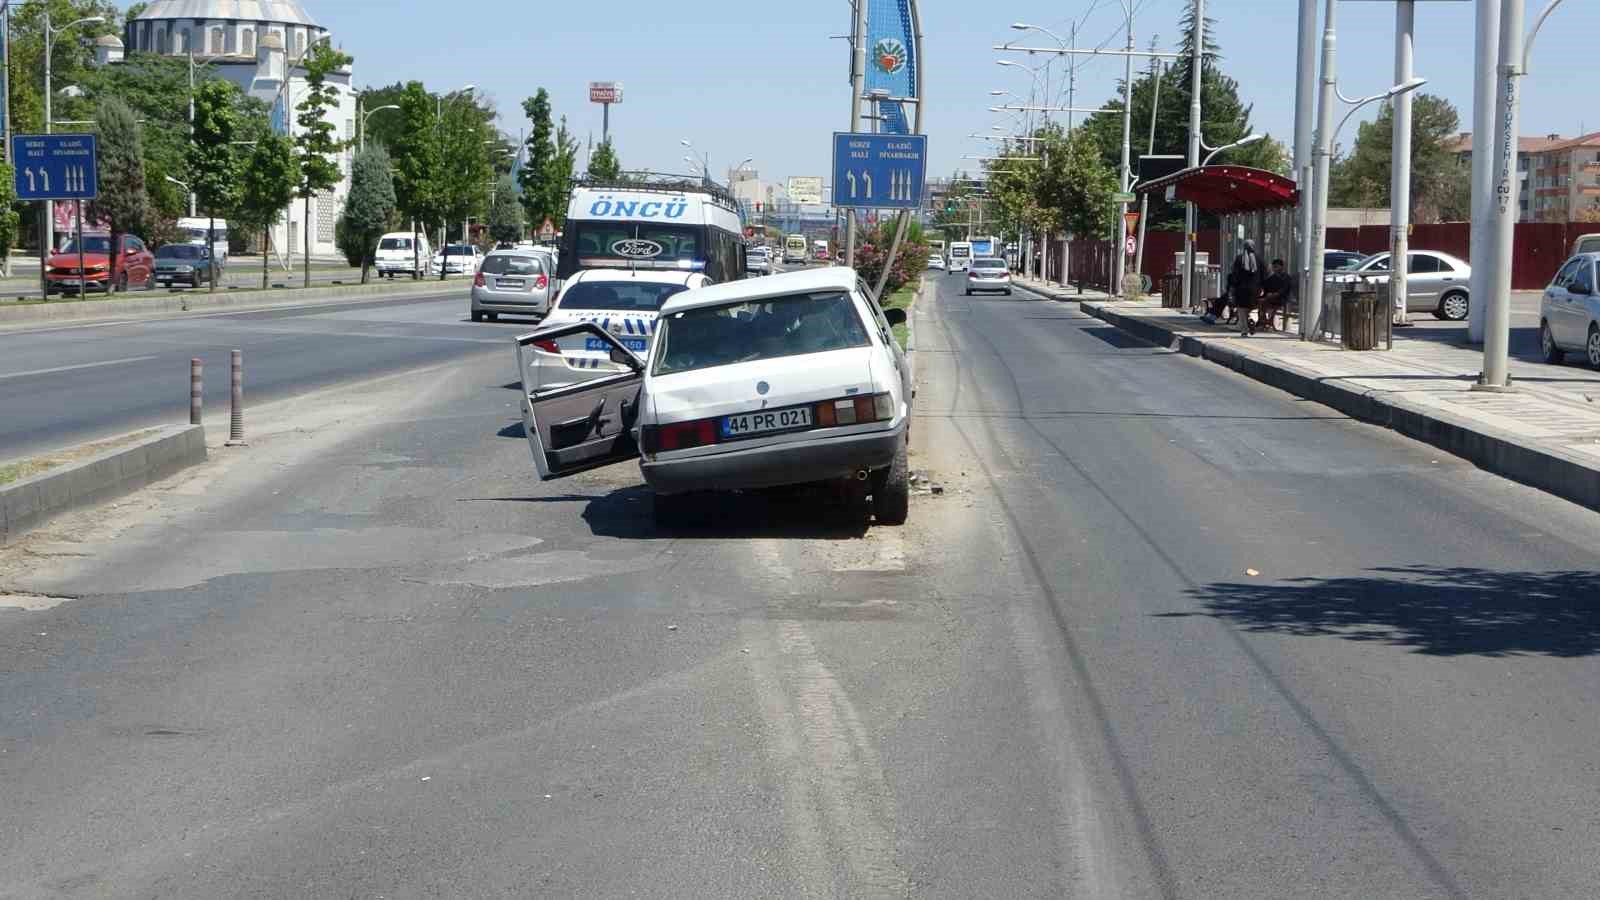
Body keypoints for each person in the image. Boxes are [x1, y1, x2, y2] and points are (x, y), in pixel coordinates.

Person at [1229, 239, 1263, 336]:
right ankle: (1251, 320)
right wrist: (1262, 287)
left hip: (1241, 289)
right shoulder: (1259, 259)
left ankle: (1244, 329)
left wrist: (1233, 287)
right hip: (1255, 289)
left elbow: (1234, 274)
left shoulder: (1239, 259)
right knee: (1252, 307)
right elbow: (1264, 273)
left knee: (1241, 309)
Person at [1258, 258, 1296, 331]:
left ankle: (1267, 322)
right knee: (1260, 302)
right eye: (1273, 267)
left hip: (1281, 298)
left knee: (1263, 302)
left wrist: (1272, 295)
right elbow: (1266, 287)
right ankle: (1265, 322)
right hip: (1271, 298)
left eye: (1276, 267)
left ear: (1281, 267)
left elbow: (1283, 291)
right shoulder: (1272, 277)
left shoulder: (1286, 277)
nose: (1274, 269)